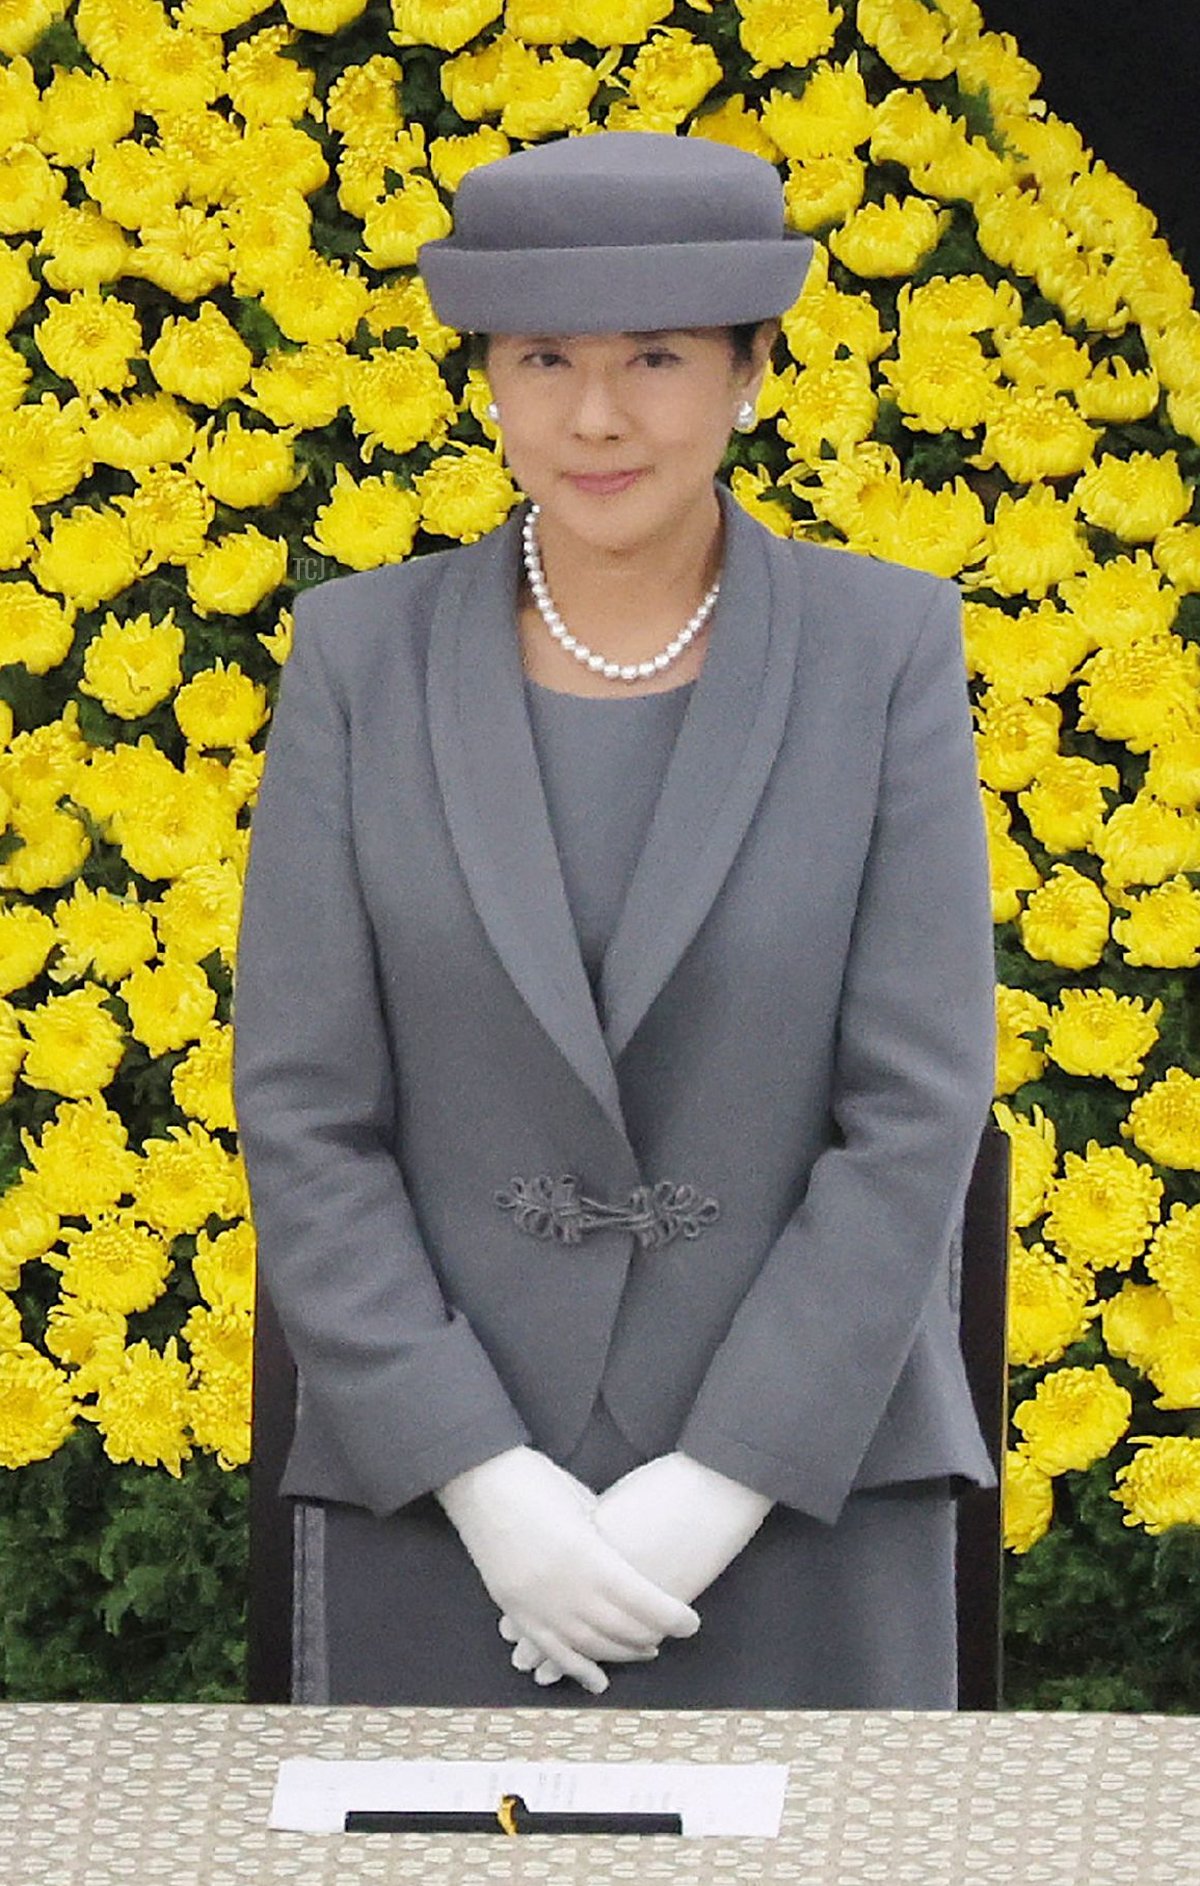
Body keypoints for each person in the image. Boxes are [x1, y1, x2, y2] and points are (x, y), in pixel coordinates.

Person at [232, 132, 998, 1710]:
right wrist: (478, 1472)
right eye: (543, 359)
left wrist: (723, 1476)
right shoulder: (358, 657)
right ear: (488, 380)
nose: (594, 415)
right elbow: (305, 1108)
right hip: (441, 1513)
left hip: (810, 1497)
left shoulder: (885, 648)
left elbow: (918, 1103)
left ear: (752, 370)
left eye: (654, 356)